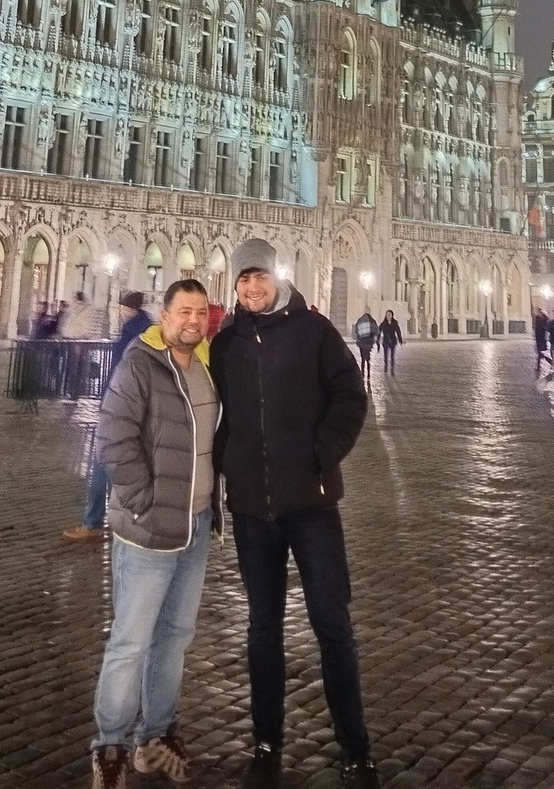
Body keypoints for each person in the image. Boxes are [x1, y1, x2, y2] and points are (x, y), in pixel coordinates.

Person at [209, 264, 375, 789]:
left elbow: (350, 395)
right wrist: (226, 469)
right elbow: (215, 414)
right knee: (263, 628)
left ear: (278, 279)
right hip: (252, 511)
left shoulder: (315, 330)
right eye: (243, 280)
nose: (252, 288)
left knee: (333, 626)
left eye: (260, 277)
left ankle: (355, 748)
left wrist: (322, 453)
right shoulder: (226, 343)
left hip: (312, 506)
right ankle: (266, 743)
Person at [88, 279, 219, 789]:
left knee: (175, 637)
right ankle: (110, 745)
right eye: (183, 311)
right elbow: (113, 439)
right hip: (148, 529)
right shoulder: (140, 365)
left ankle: (156, 736)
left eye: (200, 312)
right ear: (164, 316)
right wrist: (143, 503)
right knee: (131, 641)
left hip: (196, 525)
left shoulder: (207, 367)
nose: (192, 320)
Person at [63, 292, 153, 544]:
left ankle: (93, 522)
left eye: (123, 307)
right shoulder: (144, 329)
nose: (121, 311)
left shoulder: (134, 333)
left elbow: (122, 369)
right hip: (130, 407)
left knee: (101, 464)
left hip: (121, 407)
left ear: (129, 308)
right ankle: (124, 519)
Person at [352, 310, 379, 385]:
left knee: (362, 359)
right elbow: (376, 331)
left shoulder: (360, 320)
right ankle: (369, 374)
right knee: (368, 359)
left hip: (361, 343)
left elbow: (356, 330)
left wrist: (358, 337)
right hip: (369, 343)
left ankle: (362, 374)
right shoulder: (372, 321)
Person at [378, 310, 403, 375]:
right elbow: (379, 332)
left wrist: (400, 340)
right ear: (385, 315)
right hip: (385, 341)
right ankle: (386, 367)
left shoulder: (395, 323)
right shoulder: (383, 323)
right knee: (385, 355)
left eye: (390, 315)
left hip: (392, 341)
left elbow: (398, 332)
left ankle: (392, 369)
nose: (388, 316)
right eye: (387, 315)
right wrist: (377, 340)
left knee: (392, 356)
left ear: (392, 315)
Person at [533, 308, 551, 383]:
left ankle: (548, 363)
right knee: (540, 353)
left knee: (542, 353)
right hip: (539, 338)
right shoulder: (538, 318)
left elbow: (546, 327)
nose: (538, 313)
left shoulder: (544, 318)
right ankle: (539, 366)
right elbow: (536, 328)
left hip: (542, 338)